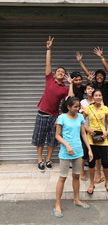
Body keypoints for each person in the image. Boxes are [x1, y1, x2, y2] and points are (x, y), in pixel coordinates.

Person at [32, 36, 73, 172]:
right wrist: (49, 49)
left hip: (55, 117)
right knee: (39, 138)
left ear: (64, 75)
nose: (60, 73)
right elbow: (48, 64)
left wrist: (71, 84)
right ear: (55, 74)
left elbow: (71, 99)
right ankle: (40, 160)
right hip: (42, 114)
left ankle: (48, 159)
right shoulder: (49, 79)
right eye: (58, 71)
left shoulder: (65, 88)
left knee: (52, 139)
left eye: (63, 72)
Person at [54, 97, 93, 218]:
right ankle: (57, 205)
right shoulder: (62, 118)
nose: (78, 109)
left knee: (76, 176)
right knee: (63, 177)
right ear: (69, 107)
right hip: (66, 152)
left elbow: (83, 134)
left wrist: (89, 149)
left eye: (78, 107)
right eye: (75, 107)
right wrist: (67, 145)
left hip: (78, 151)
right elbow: (57, 135)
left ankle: (76, 200)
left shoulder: (80, 117)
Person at [83, 89, 108, 194]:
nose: (98, 97)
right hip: (91, 138)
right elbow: (81, 121)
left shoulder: (105, 109)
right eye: (96, 95)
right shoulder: (88, 108)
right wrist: (87, 129)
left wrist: (107, 132)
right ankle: (92, 183)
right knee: (91, 162)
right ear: (93, 97)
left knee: (105, 161)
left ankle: (107, 182)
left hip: (103, 137)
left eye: (100, 95)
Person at [80, 82, 104, 182]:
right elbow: (81, 117)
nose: (90, 90)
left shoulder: (99, 101)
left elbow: (103, 113)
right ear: (85, 91)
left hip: (97, 130)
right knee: (85, 152)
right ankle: (81, 171)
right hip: (86, 130)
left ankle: (98, 173)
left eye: (92, 88)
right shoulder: (82, 102)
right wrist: (87, 129)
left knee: (98, 153)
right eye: (88, 88)